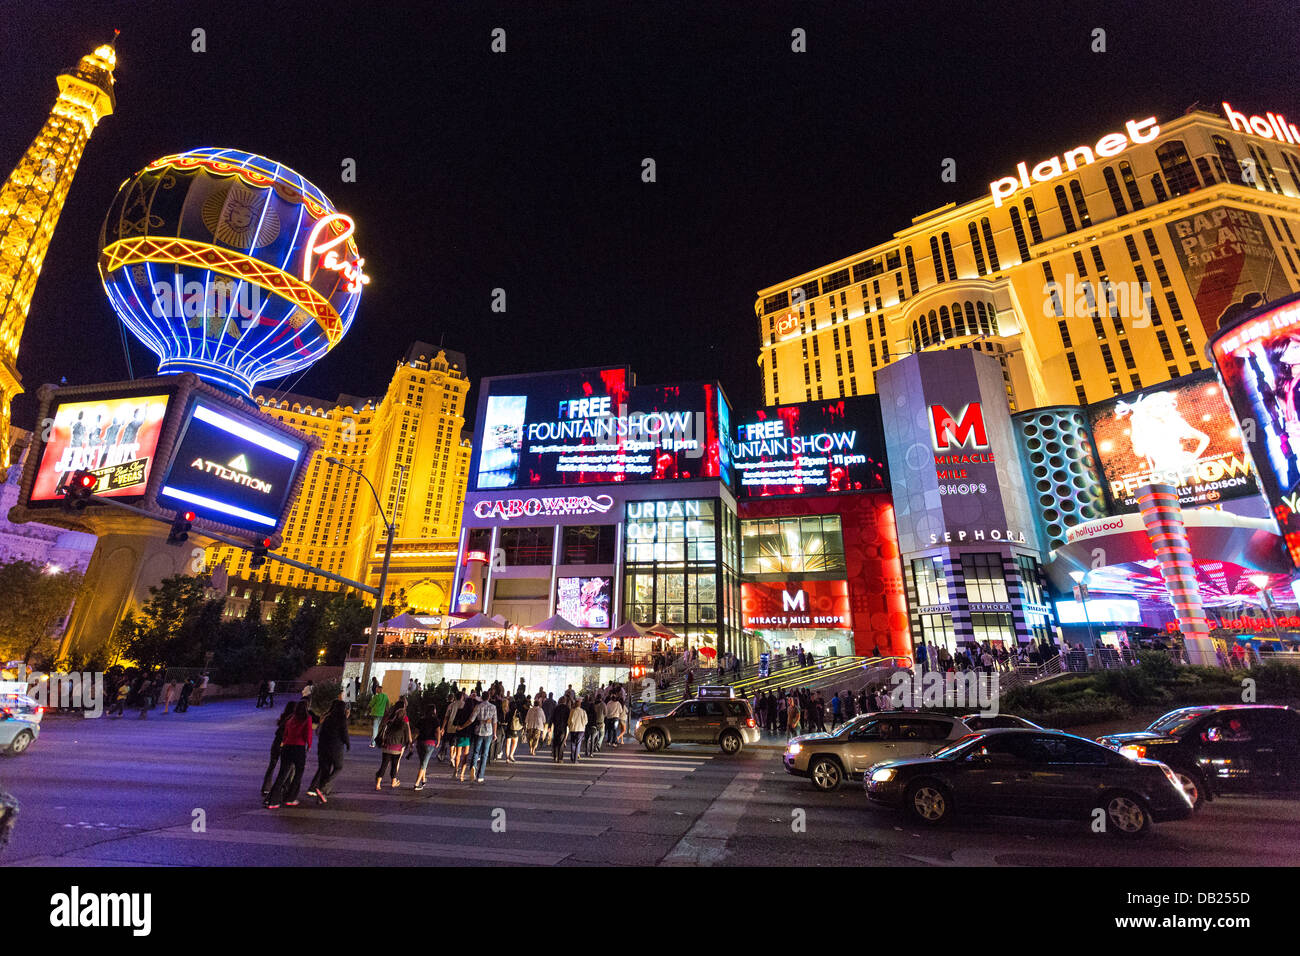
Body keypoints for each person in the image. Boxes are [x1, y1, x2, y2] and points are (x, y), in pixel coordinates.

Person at [267, 701, 313, 809]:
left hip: (287, 747)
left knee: (282, 774)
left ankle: (272, 800)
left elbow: (285, 733)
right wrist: (308, 746)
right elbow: (308, 734)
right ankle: (290, 798)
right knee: (298, 774)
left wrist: (284, 742)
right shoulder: (307, 719)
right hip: (299, 747)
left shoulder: (290, 718)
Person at [306, 700, 350, 804]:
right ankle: (323, 788)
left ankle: (321, 797)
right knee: (338, 767)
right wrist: (347, 744)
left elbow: (320, 732)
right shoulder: (341, 718)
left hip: (323, 747)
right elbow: (344, 733)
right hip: (335, 748)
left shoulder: (327, 717)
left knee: (324, 770)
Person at [262, 702, 297, 798]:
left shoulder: (284, 717)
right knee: (289, 767)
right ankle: (285, 788)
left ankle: (266, 787)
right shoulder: (291, 719)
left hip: (276, 745)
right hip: (285, 746)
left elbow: (277, 732)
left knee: (272, 765)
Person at [375, 697, 412, 790]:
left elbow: (384, 731)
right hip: (397, 749)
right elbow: (407, 737)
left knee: (384, 764)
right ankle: (393, 782)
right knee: (394, 765)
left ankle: (378, 784)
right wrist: (408, 745)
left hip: (386, 747)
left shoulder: (389, 722)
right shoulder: (404, 724)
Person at [469, 692, 498, 783]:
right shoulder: (493, 707)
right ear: (489, 697)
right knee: (485, 754)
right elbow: (495, 722)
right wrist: (494, 733)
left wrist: (462, 726)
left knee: (475, 751)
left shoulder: (478, 706)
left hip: (478, 731)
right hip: (488, 732)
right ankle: (480, 776)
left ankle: (473, 768)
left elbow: (472, 719)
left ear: (481, 697)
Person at [412, 704, 441, 791]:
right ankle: (417, 783)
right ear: (434, 710)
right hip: (429, 743)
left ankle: (423, 780)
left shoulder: (421, 719)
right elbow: (437, 732)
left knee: (422, 762)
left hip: (420, 742)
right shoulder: (435, 720)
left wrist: (413, 741)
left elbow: (416, 732)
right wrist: (438, 741)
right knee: (424, 764)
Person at [567, 697, 588, 763]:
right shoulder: (583, 711)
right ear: (580, 705)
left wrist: (570, 726)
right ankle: (576, 759)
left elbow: (569, 721)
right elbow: (586, 721)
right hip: (581, 729)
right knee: (578, 744)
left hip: (573, 729)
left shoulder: (572, 711)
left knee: (573, 743)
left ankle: (573, 757)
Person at [550, 695, 571, 763]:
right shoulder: (567, 708)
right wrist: (568, 725)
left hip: (556, 727)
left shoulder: (556, 708)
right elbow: (569, 718)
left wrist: (550, 726)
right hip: (563, 727)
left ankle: (555, 756)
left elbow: (552, 717)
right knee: (561, 743)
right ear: (565, 701)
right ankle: (560, 758)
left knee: (555, 742)